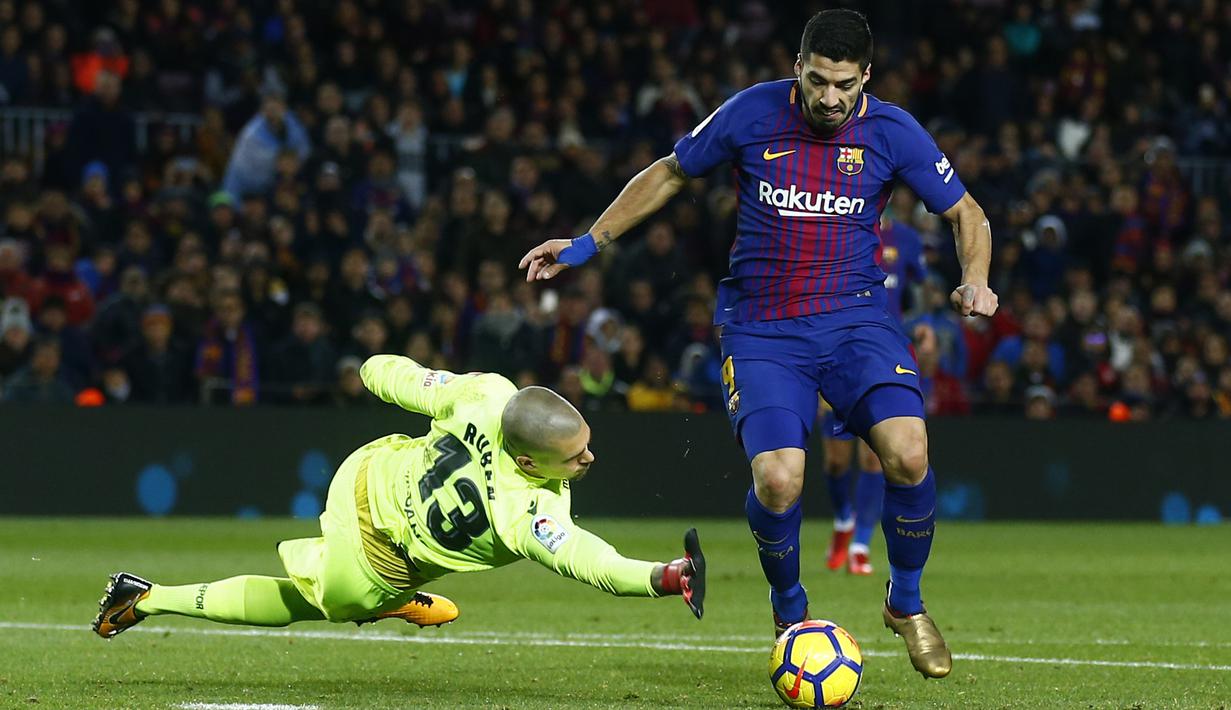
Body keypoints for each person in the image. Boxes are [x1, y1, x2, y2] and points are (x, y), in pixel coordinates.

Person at [519, 9, 997, 678]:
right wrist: (585, 243)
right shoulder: (751, 112)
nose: (827, 98)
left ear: (865, 76)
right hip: (762, 326)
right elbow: (669, 172)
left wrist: (974, 280)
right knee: (778, 479)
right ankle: (789, 607)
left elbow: (964, 212)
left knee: (908, 452)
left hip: (856, 320)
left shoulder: (891, 130)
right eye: (815, 80)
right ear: (796, 66)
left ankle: (905, 602)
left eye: (841, 85)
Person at [94, 354, 705, 638]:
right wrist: (664, 576)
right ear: (527, 460)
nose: (587, 458)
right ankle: (148, 601)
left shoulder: (485, 394)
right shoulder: (526, 510)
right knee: (314, 605)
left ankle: (388, 600)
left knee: (343, 587)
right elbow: (589, 562)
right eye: (574, 457)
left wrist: (367, 370)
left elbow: (395, 373)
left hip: (362, 473)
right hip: (372, 564)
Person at [821, 213, 928, 577]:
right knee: (836, 460)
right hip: (834, 346)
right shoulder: (837, 224)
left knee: (873, 457)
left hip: (884, 352)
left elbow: (919, 288)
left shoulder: (908, 239)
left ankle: (861, 544)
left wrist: (922, 323)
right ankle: (843, 520)